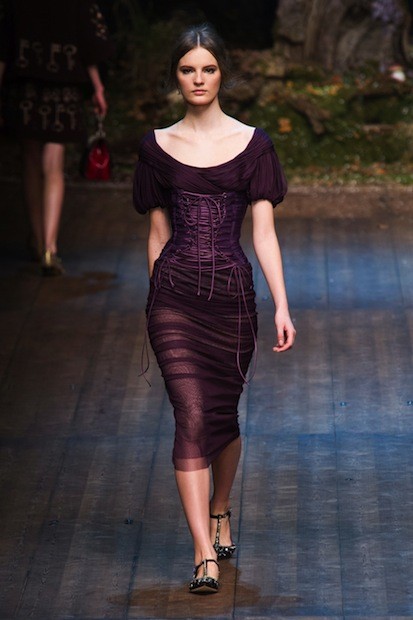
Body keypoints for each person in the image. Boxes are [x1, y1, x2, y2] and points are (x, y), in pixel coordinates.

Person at [133, 23, 296, 594]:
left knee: (222, 416)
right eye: (187, 69)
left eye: (208, 68)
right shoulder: (156, 147)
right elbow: (157, 235)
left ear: (223, 73)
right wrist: (155, 303)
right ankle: (203, 551)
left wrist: (282, 305)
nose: (198, 79)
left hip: (232, 302)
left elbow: (264, 234)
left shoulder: (254, 145)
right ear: (175, 76)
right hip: (174, 299)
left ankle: (220, 507)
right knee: (192, 414)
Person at [0, 0, 113, 275]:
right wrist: (98, 87)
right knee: (53, 165)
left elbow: (4, 42)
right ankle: (50, 248)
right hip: (64, 86)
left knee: (30, 161)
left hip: (26, 83)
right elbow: (89, 43)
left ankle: (39, 241)